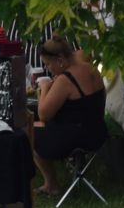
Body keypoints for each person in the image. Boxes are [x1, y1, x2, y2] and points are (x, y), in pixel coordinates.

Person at [29, 36, 108, 197]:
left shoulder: (66, 79)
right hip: (97, 134)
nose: (48, 69)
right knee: (39, 127)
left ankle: (51, 184)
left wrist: (44, 87)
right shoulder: (91, 69)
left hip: (75, 138)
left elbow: (43, 114)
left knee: (27, 131)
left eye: (48, 64)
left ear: (60, 60)